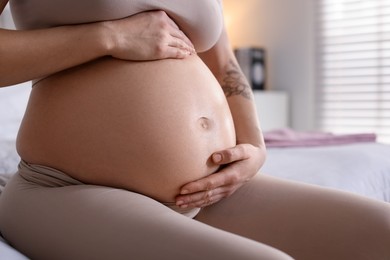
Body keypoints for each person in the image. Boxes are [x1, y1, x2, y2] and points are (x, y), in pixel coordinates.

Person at [0, 0, 389, 259]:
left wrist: (254, 147)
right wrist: (109, 37)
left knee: (382, 232)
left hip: (208, 191)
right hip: (66, 189)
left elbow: (224, 65)